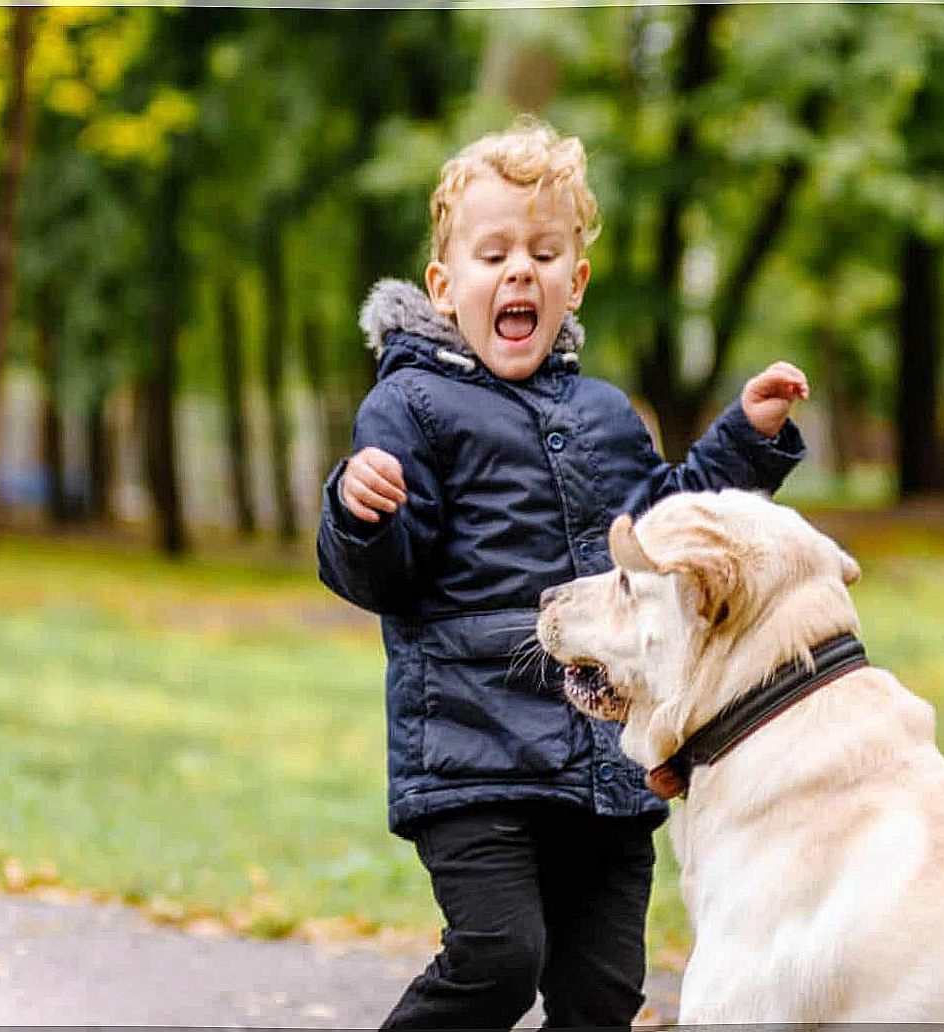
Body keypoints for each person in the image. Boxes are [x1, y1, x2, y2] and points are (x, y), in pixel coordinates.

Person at [315, 118, 809, 1030]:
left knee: (603, 994)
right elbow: (385, 576)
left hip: (605, 770)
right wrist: (359, 512)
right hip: (475, 757)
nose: (518, 271)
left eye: (544, 253)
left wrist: (748, 437)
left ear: (573, 282)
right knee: (500, 961)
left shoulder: (605, 413)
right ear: (443, 284)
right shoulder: (411, 405)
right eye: (492, 252)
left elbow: (669, 528)